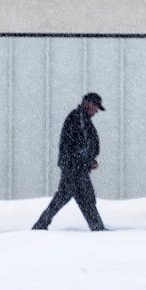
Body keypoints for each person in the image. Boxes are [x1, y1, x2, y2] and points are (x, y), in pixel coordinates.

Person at [32, 92, 108, 231]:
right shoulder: (78, 119)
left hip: (75, 167)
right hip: (74, 169)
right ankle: (97, 229)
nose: (96, 111)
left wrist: (88, 159)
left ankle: (41, 225)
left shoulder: (81, 119)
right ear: (88, 104)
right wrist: (86, 160)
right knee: (82, 198)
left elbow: (80, 146)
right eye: (96, 107)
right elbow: (73, 147)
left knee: (74, 198)